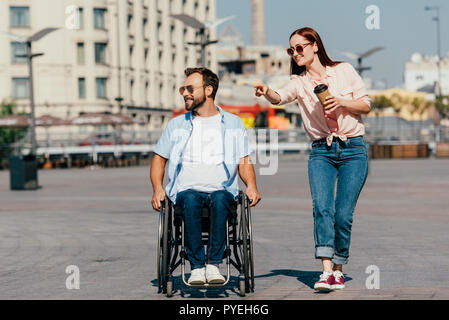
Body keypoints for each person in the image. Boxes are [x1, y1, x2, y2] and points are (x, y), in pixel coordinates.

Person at [254, 27, 370, 291]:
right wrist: (267, 90)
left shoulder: (344, 70)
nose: (295, 54)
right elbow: (279, 98)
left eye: (299, 48)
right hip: (321, 152)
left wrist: (340, 102)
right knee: (322, 209)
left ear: (314, 45)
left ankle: (339, 268)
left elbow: (365, 105)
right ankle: (327, 270)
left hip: (353, 149)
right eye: (290, 50)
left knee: (342, 214)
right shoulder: (299, 82)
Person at [151, 67, 261, 285]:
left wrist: (251, 185)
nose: (184, 93)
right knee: (190, 198)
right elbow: (159, 159)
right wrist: (158, 188)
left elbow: (244, 160)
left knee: (221, 198)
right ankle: (197, 267)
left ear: (208, 90)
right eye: (183, 88)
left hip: (222, 191)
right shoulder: (176, 125)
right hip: (185, 192)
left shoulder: (233, 123)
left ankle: (213, 265)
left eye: (190, 88)